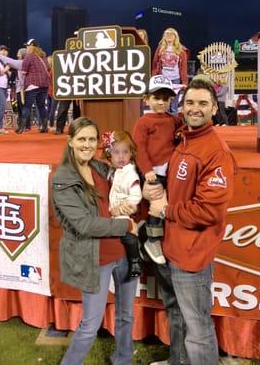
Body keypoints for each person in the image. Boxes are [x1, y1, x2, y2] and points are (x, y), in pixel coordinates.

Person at [145, 79, 236, 365]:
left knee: (197, 328)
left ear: (213, 109)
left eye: (202, 104)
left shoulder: (216, 151)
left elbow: (209, 211)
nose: (195, 109)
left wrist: (166, 210)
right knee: (177, 315)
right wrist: (154, 192)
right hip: (171, 247)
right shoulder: (183, 139)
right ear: (182, 106)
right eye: (190, 103)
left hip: (193, 254)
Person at [52, 117, 139, 365]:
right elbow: (85, 224)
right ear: (70, 142)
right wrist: (125, 224)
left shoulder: (101, 167)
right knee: (90, 323)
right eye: (81, 139)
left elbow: (125, 185)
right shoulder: (63, 179)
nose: (87, 144)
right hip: (96, 260)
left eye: (91, 139)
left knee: (126, 315)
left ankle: (123, 359)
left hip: (123, 254)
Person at [132, 75, 181, 265]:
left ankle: (147, 233)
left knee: (165, 206)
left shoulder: (174, 120)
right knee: (158, 206)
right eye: (156, 98)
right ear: (147, 99)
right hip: (154, 173)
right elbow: (139, 148)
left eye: (165, 99)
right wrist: (147, 170)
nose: (161, 102)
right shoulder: (143, 122)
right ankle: (152, 241)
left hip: (171, 172)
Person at [101, 130, 143, 278]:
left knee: (128, 233)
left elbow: (136, 194)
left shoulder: (129, 173)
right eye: (116, 152)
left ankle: (135, 260)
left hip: (124, 211)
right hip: (113, 210)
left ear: (131, 154)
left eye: (125, 152)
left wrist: (127, 205)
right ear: (109, 154)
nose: (121, 156)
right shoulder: (114, 171)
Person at [16, 38, 50, 134]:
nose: (26, 47)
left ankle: (21, 128)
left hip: (33, 84)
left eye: (27, 46)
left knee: (27, 106)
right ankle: (45, 127)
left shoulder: (29, 56)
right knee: (42, 106)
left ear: (31, 46)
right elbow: (47, 68)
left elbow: (23, 71)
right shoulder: (43, 56)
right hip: (44, 84)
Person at [0, 45, 10, 134]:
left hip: (4, 87)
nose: (4, 52)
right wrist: (6, 70)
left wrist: (7, 71)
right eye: (2, 50)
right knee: (1, 107)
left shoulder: (4, 62)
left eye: (6, 50)